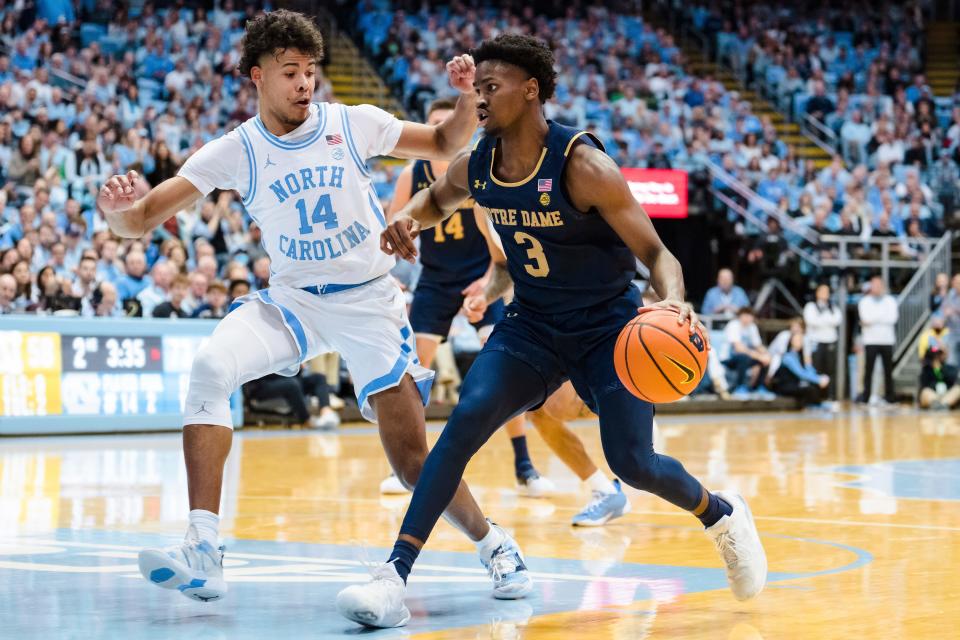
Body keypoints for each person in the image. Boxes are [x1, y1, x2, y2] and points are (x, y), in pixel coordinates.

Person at [337, 34, 765, 629]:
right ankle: (393, 576)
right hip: (532, 325)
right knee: (462, 426)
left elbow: (658, 253)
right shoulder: (478, 163)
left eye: (492, 87)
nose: (480, 98)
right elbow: (436, 200)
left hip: (608, 331)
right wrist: (405, 221)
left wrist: (675, 303)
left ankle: (720, 514)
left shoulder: (584, 166)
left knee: (633, 461)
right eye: (476, 87)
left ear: (530, 89)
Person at [98, 10, 521, 605]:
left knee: (409, 461)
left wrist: (459, 102)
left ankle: (494, 544)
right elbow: (139, 221)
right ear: (257, 77)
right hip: (294, 303)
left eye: (310, 71)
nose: (304, 83)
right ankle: (202, 546)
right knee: (210, 368)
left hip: (370, 303)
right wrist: (114, 208)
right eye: (289, 71)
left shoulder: (352, 124)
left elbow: (448, 142)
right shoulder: (237, 149)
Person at [380, 97, 553, 498]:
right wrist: (389, 274)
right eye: (434, 124)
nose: (441, 130)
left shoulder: (476, 172)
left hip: (480, 276)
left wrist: (493, 280)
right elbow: (394, 222)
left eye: (448, 123)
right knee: (414, 372)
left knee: (506, 369)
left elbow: (500, 247)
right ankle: (407, 464)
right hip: (436, 278)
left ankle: (523, 464)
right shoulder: (415, 171)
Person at [857, 275, 898, 405]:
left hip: (887, 340)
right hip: (870, 340)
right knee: (868, 370)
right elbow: (865, 318)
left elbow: (892, 318)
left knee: (888, 371)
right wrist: (880, 318)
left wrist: (872, 320)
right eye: (874, 285)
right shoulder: (864, 301)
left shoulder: (891, 301)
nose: (876, 288)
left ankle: (889, 398)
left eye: (879, 285)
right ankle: (866, 397)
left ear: (883, 286)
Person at [722, 307, 774, 399]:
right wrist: (759, 356)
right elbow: (738, 348)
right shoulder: (733, 325)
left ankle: (759, 388)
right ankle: (740, 388)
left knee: (765, 358)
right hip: (728, 358)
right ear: (740, 316)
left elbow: (758, 346)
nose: (748, 318)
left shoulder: (752, 327)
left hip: (745, 357)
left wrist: (767, 355)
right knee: (744, 357)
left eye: (750, 316)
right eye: (745, 315)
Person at [770, 332, 830, 408]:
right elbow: (801, 374)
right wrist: (819, 380)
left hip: (795, 384)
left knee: (814, 384)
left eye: (801, 340)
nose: (799, 342)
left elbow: (809, 371)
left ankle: (818, 404)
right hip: (784, 386)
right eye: (797, 340)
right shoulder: (788, 356)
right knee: (810, 388)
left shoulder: (800, 356)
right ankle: (817, 405)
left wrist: (820, 377)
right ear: (791, 341)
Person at [803, 283, 842, 399]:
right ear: (817, 293)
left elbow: (838, 320)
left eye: (827, 291)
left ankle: (831, 397)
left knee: (830, 370)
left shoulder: (833, 307)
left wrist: (821, 320)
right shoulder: (811, 306)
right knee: (816, 369)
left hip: (830, 341)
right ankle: (815, 398)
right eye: (822, 291)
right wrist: (827, 321)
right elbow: (811, 321)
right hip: (816, 342)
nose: (825, 294)